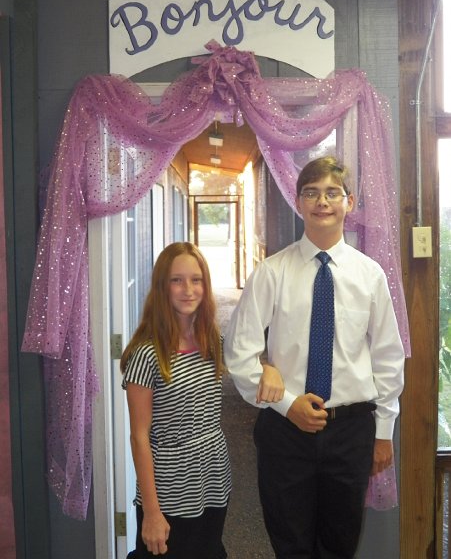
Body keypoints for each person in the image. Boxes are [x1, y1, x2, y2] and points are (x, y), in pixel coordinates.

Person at [224, 156, 405, 559]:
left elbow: (388, 358)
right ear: (298, 201)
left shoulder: (370, 275)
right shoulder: (271, 272)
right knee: (290, 544)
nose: (322, 202)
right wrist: (288, 406)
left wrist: (383, 432)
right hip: (284, 431)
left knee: (340, 544)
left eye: (332, 193)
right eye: (311, 193)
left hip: (350, 431)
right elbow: (239, 351)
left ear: (349, 202)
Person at [120, 241, 281, 559]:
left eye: (196, 280)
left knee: (209, 551)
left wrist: (270, 369)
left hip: (213, 476)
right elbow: (139, 437)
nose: (188, 289)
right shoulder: (146, 354)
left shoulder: (213, 342)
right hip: (169, 489)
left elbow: (248, 366)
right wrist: (151, 511)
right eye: (177, 280)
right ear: (162, 287)